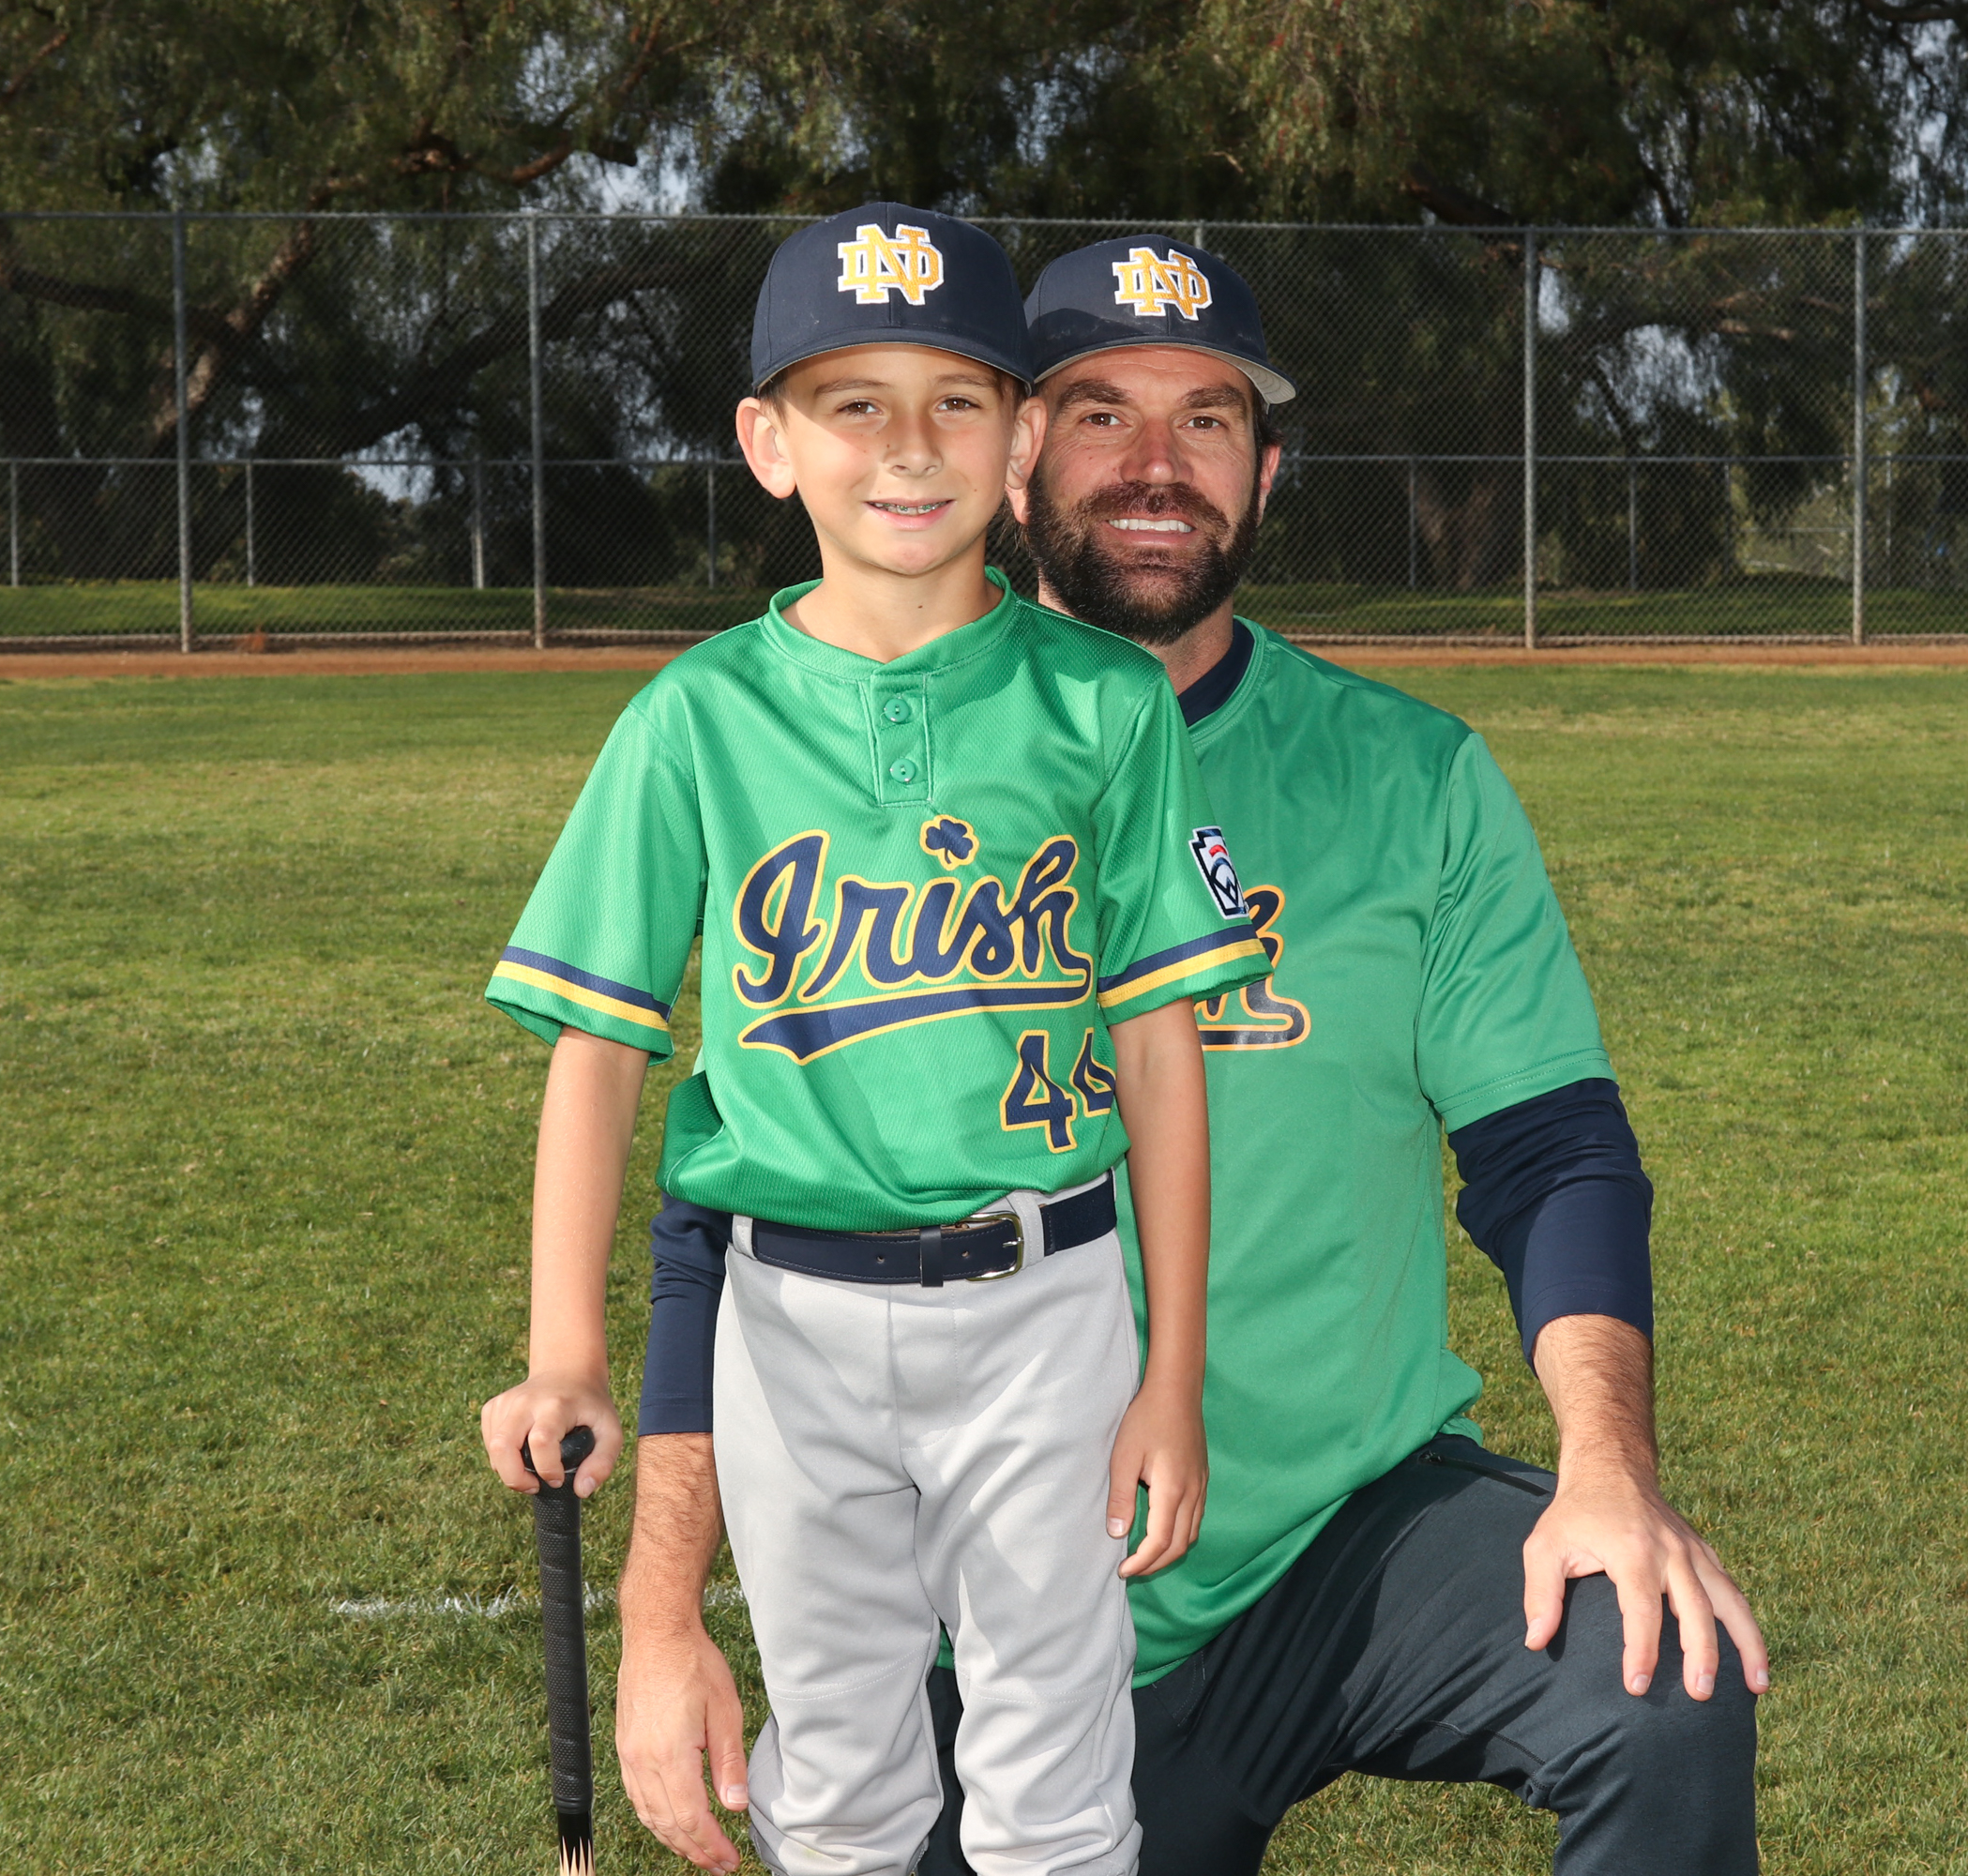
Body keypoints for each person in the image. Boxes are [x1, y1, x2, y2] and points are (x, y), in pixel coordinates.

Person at [615, 236, 1767, 1876]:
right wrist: (662, 1614)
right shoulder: (832, 759)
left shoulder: (1411, 776)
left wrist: (1609, 1470)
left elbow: (1551, 1148)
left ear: (1267, 470)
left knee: (1655, 1676)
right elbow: (728, 1213)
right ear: (1020, 453)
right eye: (1104, 413)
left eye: (1209, 419)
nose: (1157, 463)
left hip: (1333, 1547)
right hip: (982, 1589)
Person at [477, 204, 1270, 1876]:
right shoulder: (695, 718)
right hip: (790, 1320)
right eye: (855, 405)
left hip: (1047, 1298)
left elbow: (1162, 1052)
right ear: (769, 444)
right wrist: (564, 1350)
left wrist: (1171, 1374)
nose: (909, 449)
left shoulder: (1105, 704)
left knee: (1057, 1777)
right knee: (837, 1775)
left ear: (1022, 440)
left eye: (955, 402)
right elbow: (599, 1054)